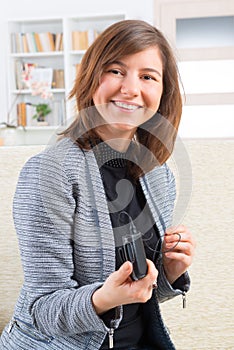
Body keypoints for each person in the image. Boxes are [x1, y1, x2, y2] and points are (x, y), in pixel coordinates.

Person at [0, 19, 195, 350]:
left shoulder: (159, 176)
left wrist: (171, 272)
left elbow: (140, 296)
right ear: (91, 77)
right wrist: (102, 298)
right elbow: (42, 309)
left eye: (147, 76)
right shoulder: (49, 172)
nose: (130, 89)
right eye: (116, 71)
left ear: (163, 93)